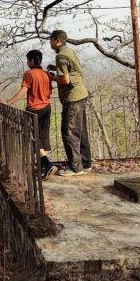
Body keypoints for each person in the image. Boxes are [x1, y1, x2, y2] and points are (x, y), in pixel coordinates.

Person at [4, 49, 57, 178]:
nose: (27, 63)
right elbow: (50, 92)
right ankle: (44, 169)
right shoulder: (46, 74)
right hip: (47, 107)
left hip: (34, 109)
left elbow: (23, 91)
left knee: (34, 137)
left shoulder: (29, 74)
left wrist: (8, 102)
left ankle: (47, 164)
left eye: (27, 60)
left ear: (32, 61)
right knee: (43, 136)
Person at [48, 29, 92, 175]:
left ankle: (75, 167)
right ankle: (85, 163)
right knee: (81, 131)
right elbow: (72, 70)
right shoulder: (69, 51)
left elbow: (65, 80)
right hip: (81, 94)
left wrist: (52, 78)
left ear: (57, 41)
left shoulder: (60, 56)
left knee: (69, 132)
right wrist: (56, 70)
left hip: (72, 98)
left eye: (51, 40)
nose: (50, 43)